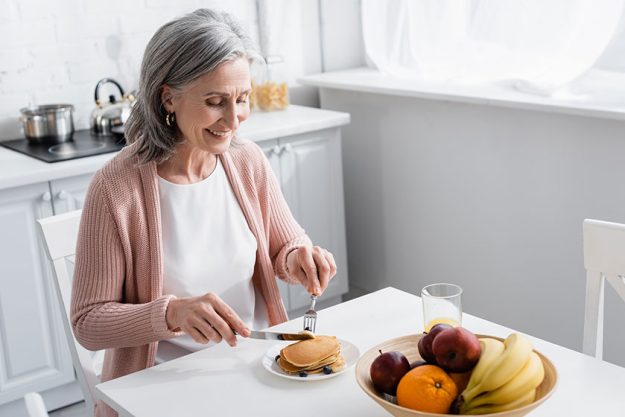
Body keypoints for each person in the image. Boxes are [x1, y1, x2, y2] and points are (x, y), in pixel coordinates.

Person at [71, 8, 337, 417]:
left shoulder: (247, 161)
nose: (234, 120)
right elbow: (89, 322)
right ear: (168, 98)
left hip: (254, 368)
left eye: (242, 99)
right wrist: (171, 313)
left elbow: (284, 246)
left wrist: (299, 257)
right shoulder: (115, 188)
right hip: (159, 386)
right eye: (215, 102)